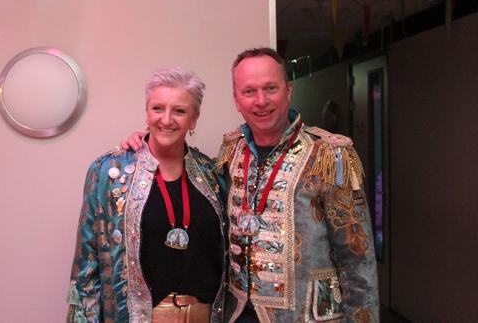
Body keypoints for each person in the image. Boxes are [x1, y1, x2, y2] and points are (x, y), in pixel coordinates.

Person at [123, 48, 379, 322]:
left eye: (271, 88)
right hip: (237, 315)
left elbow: (358, 261)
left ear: (288, 90)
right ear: (237, 100)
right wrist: (147, 143)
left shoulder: (329, 155)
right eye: (249, 91)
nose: (261, 101)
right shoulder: (230, 151)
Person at [66, 67, 227, 323]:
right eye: (158, 108)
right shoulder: (110, 172)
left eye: (179, 111)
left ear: (194, 119)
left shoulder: (212, 174)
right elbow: (87, 262)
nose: (166, 119)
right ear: (147, 112)